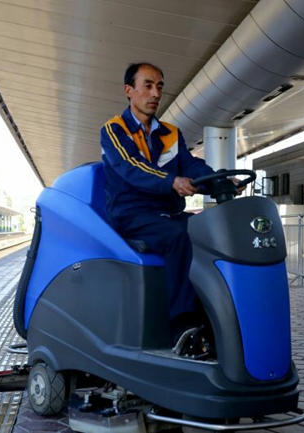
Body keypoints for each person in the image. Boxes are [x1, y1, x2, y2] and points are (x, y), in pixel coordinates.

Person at [100, 63, 240, 355]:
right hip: (132, 215)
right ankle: (182, 327)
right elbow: (132, 166)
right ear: (129, 91)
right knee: (178, 236)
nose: (155, 93)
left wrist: (221, 182)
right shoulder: (114, 130)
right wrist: (171, 181)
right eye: (148, 85)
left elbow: (192, 166)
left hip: (170, 214)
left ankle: (216, 320)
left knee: (211, 233)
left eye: (160, 87)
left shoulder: (170, 134)